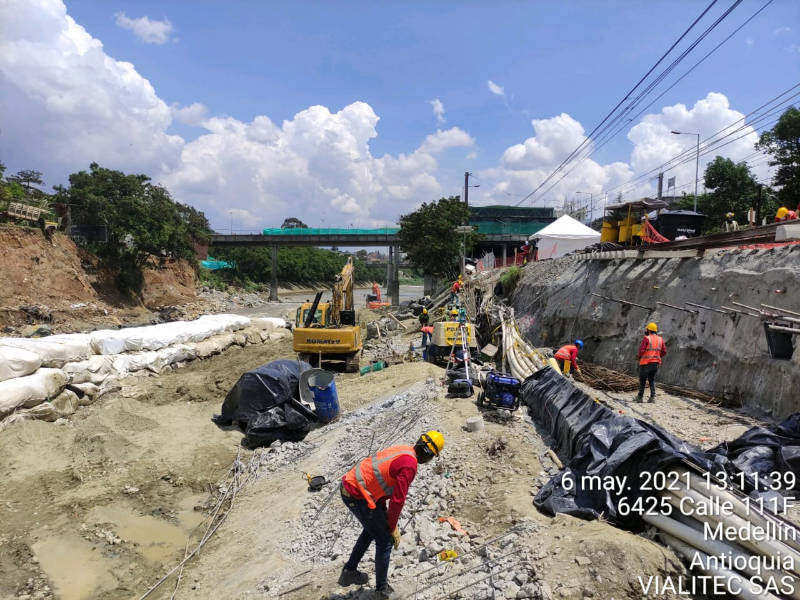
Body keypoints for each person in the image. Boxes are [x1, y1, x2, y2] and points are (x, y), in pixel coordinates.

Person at [338, 431, 445, 598]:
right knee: (385, 540)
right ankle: (382, 590)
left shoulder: (404, 450)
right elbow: (397, 500)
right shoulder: (410, 465)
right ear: (429, 455)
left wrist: (385, 516)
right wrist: (392, 527)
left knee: (371, 530)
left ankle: (349, 572)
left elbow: (380, 481)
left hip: (355, 487)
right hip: (357, 494)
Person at [636, 322, 667, 403]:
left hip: (646, 363)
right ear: (655, 331)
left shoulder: (647, 338)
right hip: (655, 363)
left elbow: (642, 350)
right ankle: (652, 398)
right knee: (651, 380)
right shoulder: (660, 339)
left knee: (642, 380)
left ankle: (640, 397)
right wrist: (658, 356)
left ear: (648, 330)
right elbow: (664, 351)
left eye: (647, 329)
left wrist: (638, 357)